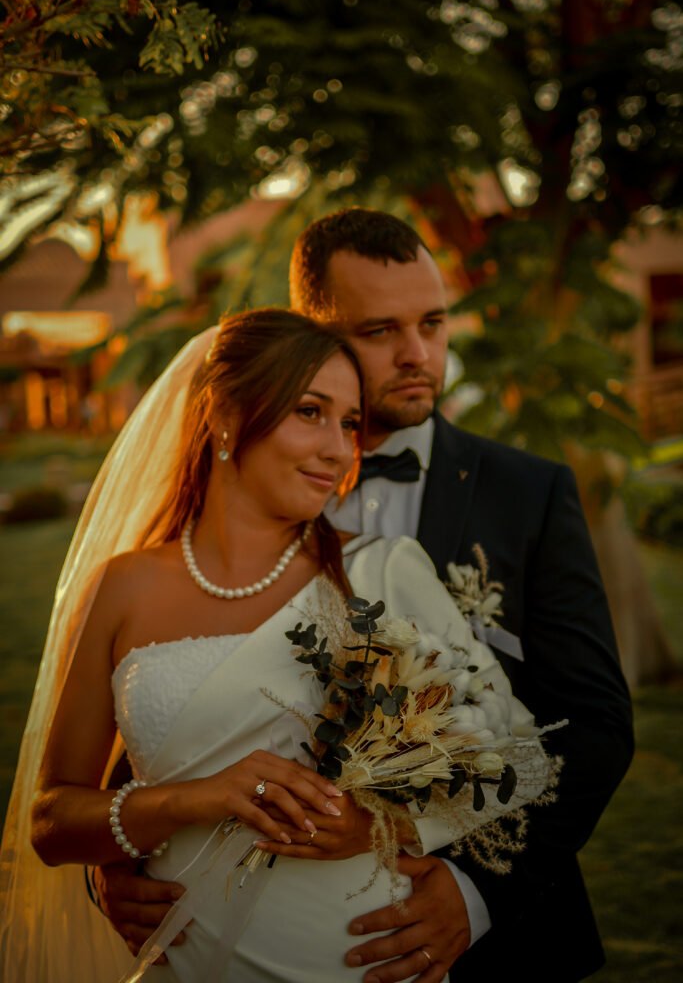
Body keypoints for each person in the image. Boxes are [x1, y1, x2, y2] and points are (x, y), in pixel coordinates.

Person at [88, 209, 634, 981]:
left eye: (434, 323)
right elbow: (158, 708)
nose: (418, 355)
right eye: (379, 331)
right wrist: (117, 859)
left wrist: (471, 891)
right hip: (213, 928)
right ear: (313, 337)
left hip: (491, 939)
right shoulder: (220, 519)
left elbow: (594, 729)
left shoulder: (526, 493)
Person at [0, 307, 543, 983]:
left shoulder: (379, 571)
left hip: (357, 953)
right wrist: (191, 800)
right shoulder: (123, 588)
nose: (338, 450)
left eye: (349, 423)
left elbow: (523, 757)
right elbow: (51, 821)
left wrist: (387, 823)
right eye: (310, 412)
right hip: (185, 959)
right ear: (227, 415)